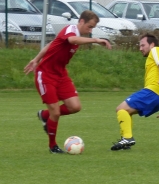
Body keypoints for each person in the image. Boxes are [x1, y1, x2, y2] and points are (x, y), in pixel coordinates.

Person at [24, 10, 112, 154]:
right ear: (81, 21)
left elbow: (52, 44)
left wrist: (35, 58)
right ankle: (53, 146)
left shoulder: (75, 35)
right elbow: (72, 40)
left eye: (92, 29)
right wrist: (96, 40)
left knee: (75, 106)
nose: (90, 31)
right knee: (56, 112)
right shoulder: (71, 30)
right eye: (89, 27)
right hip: (45, 75)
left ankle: (45, 115)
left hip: (61, 74)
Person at [110, 32, 159, 151]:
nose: (140, 48)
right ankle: (125, 142)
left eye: (142, 45)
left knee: (121, 109)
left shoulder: (156, 50)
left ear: (152, 44)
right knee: (127, 112)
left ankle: (127, 138)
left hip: (153, 91)